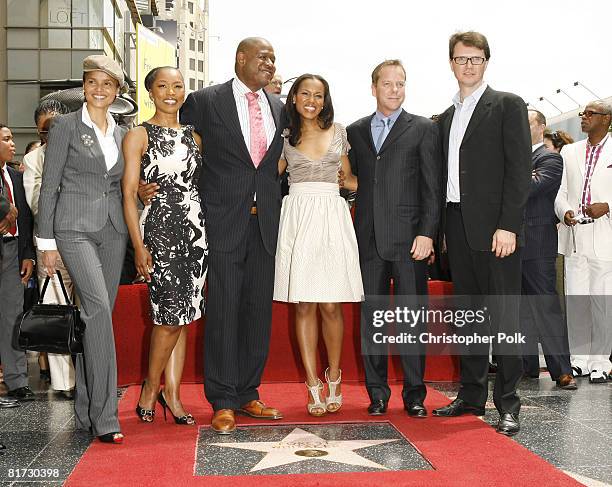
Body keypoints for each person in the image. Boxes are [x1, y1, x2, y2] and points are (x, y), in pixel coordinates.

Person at [179, 37, 286, 434]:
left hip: (266, 224)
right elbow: (174, 145)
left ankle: (247, 393)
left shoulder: (280, 106)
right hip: (222, 221)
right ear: (240, 58)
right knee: (223, 312)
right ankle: (222, 399)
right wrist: (147, 185)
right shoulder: (205, 100)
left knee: (258, 312)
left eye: (274, 58)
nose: (270, 63)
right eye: (264, 56)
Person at [433, 32, 531, 436]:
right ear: (451, 64)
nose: (468, 65)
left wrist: (508, 224)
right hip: (457, 227)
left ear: (486, 62)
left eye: (476, 59)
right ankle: (471, 396)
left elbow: (519, 169)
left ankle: (509, 404)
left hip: (496, 231)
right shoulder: (445, 116)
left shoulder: (507, 105)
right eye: (461, 58)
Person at [38, 55, 129, 444]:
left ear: (116, 91)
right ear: (83, 86)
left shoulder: (125, 132)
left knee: (95, 319)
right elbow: (49, 185)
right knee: (98, 312)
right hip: (72, 228)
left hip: (113, 230)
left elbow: (125, 184)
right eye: (92, 82)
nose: (98, 89)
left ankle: (85, 408)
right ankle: (106, 416)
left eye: (107, 84)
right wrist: (46, 244)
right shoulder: (65, 127)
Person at [347, 60, 442, 417]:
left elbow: (432, 187)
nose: (394, 90)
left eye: (400, 84)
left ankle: (415, 394)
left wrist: (427, 234)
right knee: (371, 320)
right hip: (368, 241)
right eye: (387, 84)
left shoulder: (422, 128)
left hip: (409, 242)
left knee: (411, 320)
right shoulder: (355, 131)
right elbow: (351, 179)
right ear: (374, 87)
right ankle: (377, 393)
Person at [122, 66, 207, 425]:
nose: (170, 92)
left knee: (184, 317)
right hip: (160, 229)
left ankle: (172, 393)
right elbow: (128, 194)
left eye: (177, 86)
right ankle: (150, 386)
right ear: (151, 91)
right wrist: (139, 246)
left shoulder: (194, 136)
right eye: (162, 86)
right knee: (167, 316)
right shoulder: (138, 135)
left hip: (195, 231)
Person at [274, 74, 362, 416]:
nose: (312, 100)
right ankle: (313, 385)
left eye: (319, 95)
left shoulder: (340, 132)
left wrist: (370, 185)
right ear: (293, 98)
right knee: (304, 306)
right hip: (297, 216)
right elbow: (266, 177)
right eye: (305, 93)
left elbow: (349, 178)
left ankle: (335, 376)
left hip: (331, 215)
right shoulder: (283, 137)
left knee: (330, 306)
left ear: (326, 100)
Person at [554, 100, 612, 383]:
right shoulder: (569, 151)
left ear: (607, 119)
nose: (584, 117)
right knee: (576, 300)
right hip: (575, 234)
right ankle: (579, 360)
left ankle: (601, 362)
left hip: (605, 235)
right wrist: (563, 211)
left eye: (591, 113)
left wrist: (608, 205)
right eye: (583, 113)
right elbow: (560, 190)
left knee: (602, 302)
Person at [23, 99, 76, 400]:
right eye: (46, 129)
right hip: (51, 247)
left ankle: (91, 377)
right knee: (56, 314)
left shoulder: (83, 151)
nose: (53, 133)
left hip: (87, 243)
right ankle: (64, 383)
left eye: (58, 126)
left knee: (89, 313)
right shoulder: (34, 160)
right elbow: (37, 205)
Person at [520, 109, 576, 389]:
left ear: (541, 127)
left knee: (545, 307)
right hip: (508, 244)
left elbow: (532, 188)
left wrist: (513, 176)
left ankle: (562, 370)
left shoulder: (550, 158)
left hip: (537, 244)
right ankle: (525, 366)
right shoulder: (512, 159)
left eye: (527, 122)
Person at [0, 124, 35, 403]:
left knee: (13, 318)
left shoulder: (15, 176)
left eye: (12, 138)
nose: (13, 144)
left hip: (13, 253)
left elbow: (25, 219)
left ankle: (17, 380)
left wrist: (28, 254)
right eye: (6, 139)